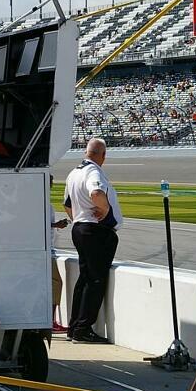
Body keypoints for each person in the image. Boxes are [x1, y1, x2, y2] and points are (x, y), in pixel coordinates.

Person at [63, 138, 123, 344]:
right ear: (102, 155)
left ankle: (74, 326)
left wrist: (77, 218)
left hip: (79, 226)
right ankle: (83, 328)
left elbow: (67, 205)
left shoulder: (74, 173)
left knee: (84, 278)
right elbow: (96, 192)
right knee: (96, 280)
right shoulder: (93, 172)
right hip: (95, 230)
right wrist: (106, 211)